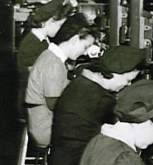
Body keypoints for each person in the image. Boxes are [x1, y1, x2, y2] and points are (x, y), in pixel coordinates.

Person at [49, 45, 147, 165]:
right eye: (128, 80)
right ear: (115, 73)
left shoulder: (82, 83)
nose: (127, 85)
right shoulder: (101, 99)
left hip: (61, 162)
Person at [25, 13, 98, 147]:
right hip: (46, 129)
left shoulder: (52, 57)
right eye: (85, 47)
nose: (84, 52)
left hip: (45, 123)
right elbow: (54, 103)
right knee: (96, 132)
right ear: (75, 40)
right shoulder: (53, 63)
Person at [15, 0, 73, 122]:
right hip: (32, 108)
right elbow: (39, 77)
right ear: (49, 21)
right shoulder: (32, 43)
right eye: (59, 25)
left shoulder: (41, 39)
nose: (60, 29)